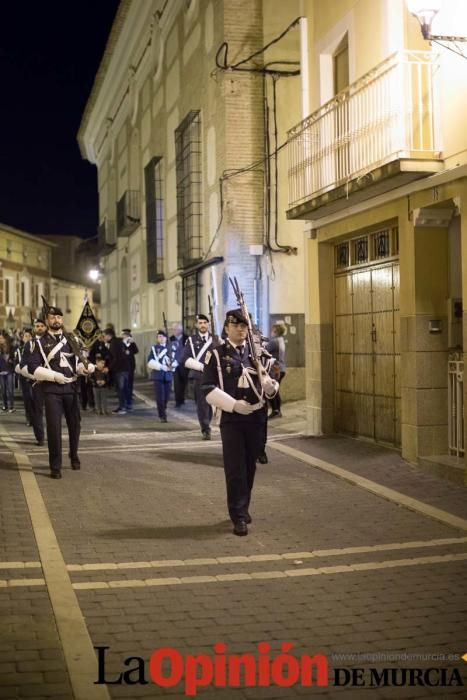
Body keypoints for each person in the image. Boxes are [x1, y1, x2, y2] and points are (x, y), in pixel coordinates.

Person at [202, 308, 278, 536]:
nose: (240, 330)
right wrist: (233, 404)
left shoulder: (260, 354)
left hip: (256, 417)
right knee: (235, 468)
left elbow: (273, 385)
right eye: (236, 326)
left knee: (250, 466)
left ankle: (243, 507)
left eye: (244, 326)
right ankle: (238, 515)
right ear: (227, 328)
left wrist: (269, 385)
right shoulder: (216, 355)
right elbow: (207, 389)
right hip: (232, 418)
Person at [27, 306, 95, 479]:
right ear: (47, 320)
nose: (56, 320)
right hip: (51, 390)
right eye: (52, 317)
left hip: (71, 389)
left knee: (75, 426)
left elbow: (78, 362)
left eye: (59, 317)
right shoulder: (38, 343)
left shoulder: (72, 339)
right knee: (54, 428)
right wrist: (54, 375)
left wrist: (84, 369)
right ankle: (55, 465)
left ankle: (73, 455)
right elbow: (33, 368)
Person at [182, 313, 215, 440]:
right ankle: (205, 428)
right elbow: (185, 359)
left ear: (208, 324)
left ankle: (208, 422)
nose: (202, 325)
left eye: (205, 323)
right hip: (199, 376)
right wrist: (201, 367)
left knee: (212, 402)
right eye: (200, 323)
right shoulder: (191, 340)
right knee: (202, 403)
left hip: (213, 376)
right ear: (196, 325)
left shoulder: (215, 339)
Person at [19, 318, 47, 446]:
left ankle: (53, 436)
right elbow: (23, 363)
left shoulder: (51, 342)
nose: (40, 328)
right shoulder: (29, 344)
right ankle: (40, 437)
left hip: (52, 382)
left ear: (45, 327)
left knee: (54, 411)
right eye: (37, 326)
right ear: (34, 328)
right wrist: (34, 376)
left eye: (42, 326)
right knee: (37, 411)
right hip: (36, 383)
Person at [147, 330, 176, 422]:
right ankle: (162, 415)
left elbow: (176, 360)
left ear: (166, 338)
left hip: (168, 376)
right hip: (158, 375)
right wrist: (162, 367)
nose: (161, 338)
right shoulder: (154, 348)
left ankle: (163, 409)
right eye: (159, 337)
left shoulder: (171, 348)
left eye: (162, 337)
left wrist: (173, 365)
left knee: (166, 397)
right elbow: (150, 362)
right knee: (160, 397)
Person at [104, 327, 130, 415]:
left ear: (108, 335)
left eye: (105, 336)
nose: (104, 338)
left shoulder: (114, 344)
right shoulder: (118, 341)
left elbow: (116, 358)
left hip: (120, 370)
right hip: (124, 369)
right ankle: (126, 406)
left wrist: (109, 368)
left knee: (120, 389)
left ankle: (122, 407)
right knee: (124, 389)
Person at [266, 324, 287, 418]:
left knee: (271, 390)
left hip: (275, 370)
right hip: (281, 368)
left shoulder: (274, 341)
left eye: (273, 330)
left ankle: (275, 410)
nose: (271, 332)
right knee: (276, 390)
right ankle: (277, 411)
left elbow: (264, 350)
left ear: (276, 331)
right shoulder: (281, 340)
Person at [15, 329, 34, 424]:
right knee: (27, 398)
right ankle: (29, 418)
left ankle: (35, 417)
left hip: (34, 376)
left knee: (34, 398)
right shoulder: (19, 350)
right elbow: (16, 362)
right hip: (23, 376)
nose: (28, 338)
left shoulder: (35, 348)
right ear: (22, 338)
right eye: (25, 336)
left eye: (29, 336)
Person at [169, 323, 188, 408]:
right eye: (173, 329)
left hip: (184, 364)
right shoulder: (171, 339)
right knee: (177, 383)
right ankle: (178, 400)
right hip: (175, 364)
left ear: (180, 330)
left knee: (184, 382)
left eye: (175, 329)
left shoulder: (186, 338)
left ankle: (182, 398)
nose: (174, 331)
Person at [121, 329, 139, 410]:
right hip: (124, 366)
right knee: (124, 384)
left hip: (131, 366)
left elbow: (136, 351)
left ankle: (129, 398)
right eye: (124, 336)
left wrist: (132, 343)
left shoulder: (132, 344)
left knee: (130, 383)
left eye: (127, 336)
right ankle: (125, 399)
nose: (125, 337)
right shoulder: (121, 344)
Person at [0, 333, 15, 413]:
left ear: (6, 339)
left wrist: (11, 361)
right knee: (3, 390)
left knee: (10, 390)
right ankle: (5, 406)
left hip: (9, 371)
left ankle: (11, 406)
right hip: (1, 372)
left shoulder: (12, 348)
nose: (0, 340)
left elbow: (14, 359)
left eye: (2, 338)